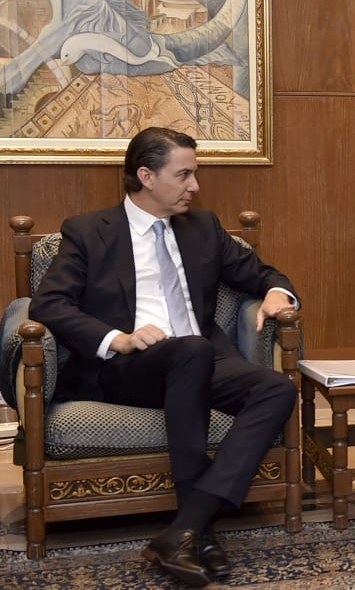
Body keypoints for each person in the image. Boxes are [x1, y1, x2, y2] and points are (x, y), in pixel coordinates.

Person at [30, 127, 299, 587]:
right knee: (191, 350)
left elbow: (261, 273)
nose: (195, 185)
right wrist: (118, 338)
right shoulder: (88, 232)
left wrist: (277, 294)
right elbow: (48, 304)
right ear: (146, 176)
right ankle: (199, 533)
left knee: (277, 388)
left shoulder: (203, 227)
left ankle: (186, 529)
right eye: (184, 175)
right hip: (129, 367)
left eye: (194, 174)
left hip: (201, 358)